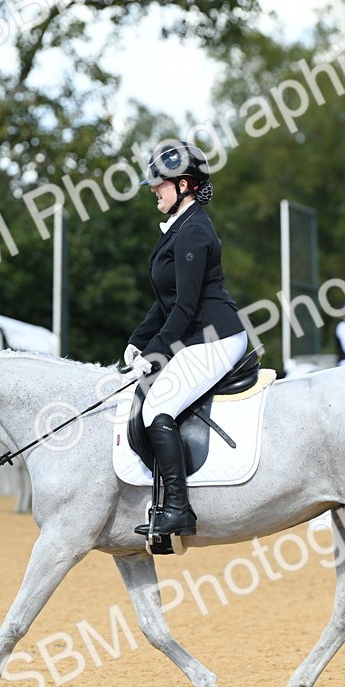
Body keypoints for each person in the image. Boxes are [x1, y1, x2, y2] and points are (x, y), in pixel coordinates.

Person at [124, 140, 248, 539]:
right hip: (198, 335)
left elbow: (187, 306)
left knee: (156, 409)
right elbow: (166, 302)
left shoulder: (193, 232)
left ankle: (178, 509)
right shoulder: (179, 228)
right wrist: (138, 340)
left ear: (184, 186)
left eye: (159, 184)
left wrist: (156, 352)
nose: (153, 190)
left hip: (215, 337)